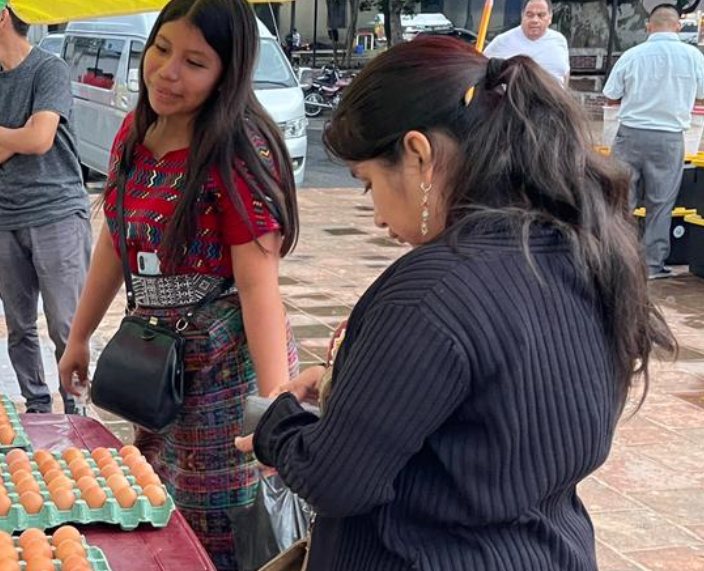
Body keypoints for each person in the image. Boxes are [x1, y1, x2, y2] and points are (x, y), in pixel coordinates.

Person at [238, 36, 673, 571]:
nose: (374, 214)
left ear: (419, 154)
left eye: (368, 183)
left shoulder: (431, 288)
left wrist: (275, 424)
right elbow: (493, 422)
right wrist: (348, 387)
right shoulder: (584, 249)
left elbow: (336, 480)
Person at [57, 0, 299, 571]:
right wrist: (80, 335)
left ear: (228, 72)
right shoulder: (136, 134)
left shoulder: (239, 148)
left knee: (222, 529)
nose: (166, 72)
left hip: (225, 377)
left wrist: (274, 418)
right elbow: (115, 240)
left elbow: (258, 287)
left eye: (194, 62)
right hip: (155, 368)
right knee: (160, 509)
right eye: (160, 49)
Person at [0, 6, 93, 417]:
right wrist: (22, 135)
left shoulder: (48, 70)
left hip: (57, 211)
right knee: (18, 326)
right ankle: (37, 405)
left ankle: (75, 409)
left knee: (65, 325)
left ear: (2, 17)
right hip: (6, 218)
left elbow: (40, 141)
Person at [604, 3, 704, 279]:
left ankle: (616, 260)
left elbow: (611, 94)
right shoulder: (693, 56)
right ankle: (651, 266)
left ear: (648, 27)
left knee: (622, 200)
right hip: (670, 138)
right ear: (678, 26)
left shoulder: (632, 55)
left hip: (630, 134)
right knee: (661, 204)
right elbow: (702, 95)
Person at [484, 0, 570, 86]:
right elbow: (481, 69)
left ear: (550, 18)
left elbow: (565, 73)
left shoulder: (559, 40)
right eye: (530, 15)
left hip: (555, 99)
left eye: (541, 15)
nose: (535, 20)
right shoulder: (502, 41)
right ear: (522, 16)